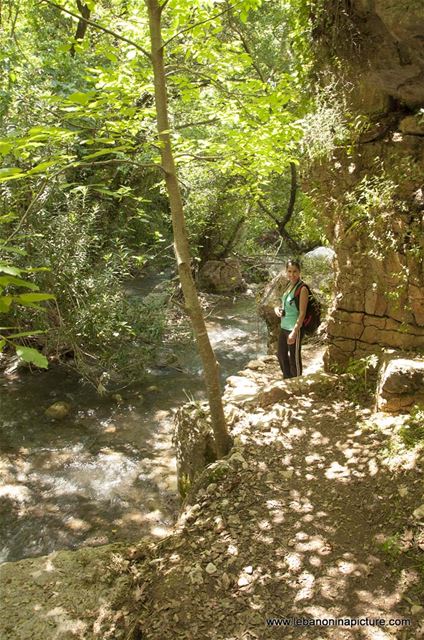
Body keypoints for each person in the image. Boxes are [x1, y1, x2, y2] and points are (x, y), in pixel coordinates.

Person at [274, 259, 308, 378]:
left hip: (294, 328)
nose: (292, 274)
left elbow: (302, 313)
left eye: (295, 271)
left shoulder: (302, 289)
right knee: (281, 355)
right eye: (289, 271)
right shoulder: (289, 286)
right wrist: (277, 309)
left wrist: (294, 332)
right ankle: (288, 379)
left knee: (294, 358)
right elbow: (285, 304)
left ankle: (298, 382)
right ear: (286, 272)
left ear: (299, 272)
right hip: (284, 326)